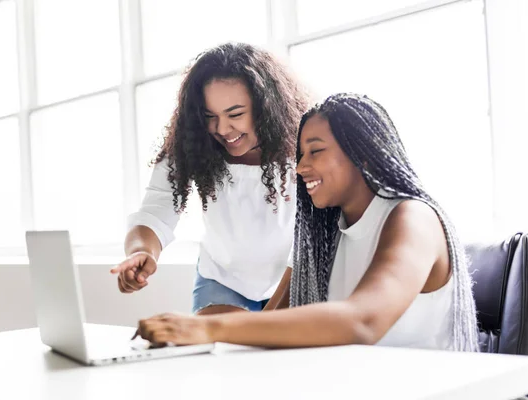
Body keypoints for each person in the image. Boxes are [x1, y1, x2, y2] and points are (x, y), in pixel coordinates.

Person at [133, 93, 480, 352]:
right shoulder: (327, 234)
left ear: (362, 153)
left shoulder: (412, 217)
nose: (300, 168)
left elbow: (363, 321)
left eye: (315, 151)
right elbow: (273, 324)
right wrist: (198, 324)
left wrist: (212, 329)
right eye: (300, 155)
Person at [110, 42, 309, 315]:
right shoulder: (191, 144)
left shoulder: (304, 147)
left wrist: (269, 318)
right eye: (209, 116)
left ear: (267, 107)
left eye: (235, 114)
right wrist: (141, 252)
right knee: (220, 353)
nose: (222, 129)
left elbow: (310, 243)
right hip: (222, 280)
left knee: (275, 352)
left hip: (294, 277)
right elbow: (156, 210)